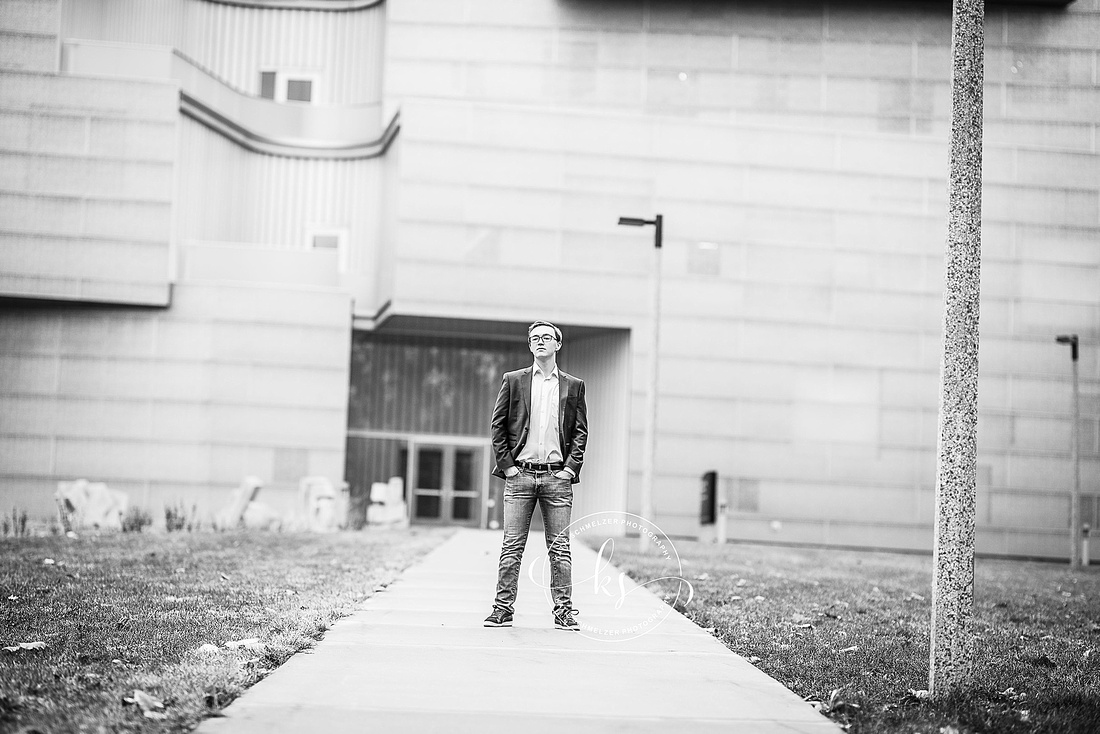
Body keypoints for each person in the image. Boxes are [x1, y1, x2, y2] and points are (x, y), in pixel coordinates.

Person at [484, 320, 588, 630]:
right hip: (520, 477)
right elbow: (497, 427)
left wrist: (571, 467)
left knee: (560, 548)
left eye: (546, 337)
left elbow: (580, 431)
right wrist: (508, 467)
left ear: (558, 344)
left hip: (558, 478)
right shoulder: (513, 381)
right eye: (534, 338)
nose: (540, 341)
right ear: (530, 345)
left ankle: (564, 612)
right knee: (512, 546)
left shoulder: (574, 385)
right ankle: (502, 610)